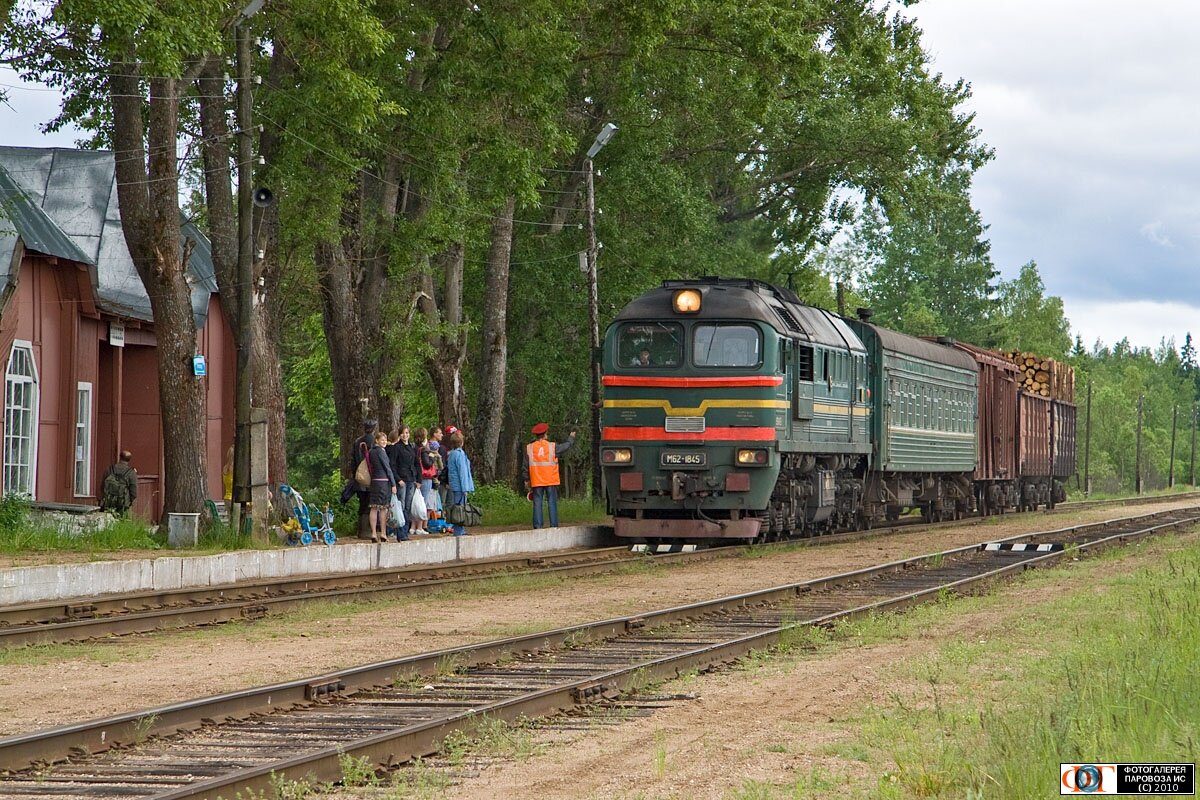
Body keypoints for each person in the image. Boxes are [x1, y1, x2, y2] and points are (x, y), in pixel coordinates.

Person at [524, 423, 576, 529]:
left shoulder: (529, 448)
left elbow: (525, 465)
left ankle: (538, 527)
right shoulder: (552, 447)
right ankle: (554, 526)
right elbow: (565, 447)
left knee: (537, 503)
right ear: (545, 434)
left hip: (536, 480)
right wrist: (571, 438)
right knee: (552, 502)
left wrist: (526, 479)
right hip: (550, 480)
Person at [387, 426, 419, 540]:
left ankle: (405, 531)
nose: (405, 435)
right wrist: (398, 479)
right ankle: (400, 533)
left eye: (407, 433)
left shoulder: (412, 447)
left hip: (411, 478)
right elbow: (392, 465)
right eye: (403, 433)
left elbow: (416, 463)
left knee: (408, 507)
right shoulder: (396, 448)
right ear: (400, 434)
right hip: (402, 479)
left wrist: (418, 479)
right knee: (401, 504)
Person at [366, 431, 397, 543]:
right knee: (383, 508)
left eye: (385, 440)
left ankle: (373, 532)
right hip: (383, 482)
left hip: (374, 481)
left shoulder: (371, 452)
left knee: (374, 507)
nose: (384, 442)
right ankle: (383, 533)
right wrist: (393, 483)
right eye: (382, 440)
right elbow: (388, 468)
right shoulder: (381, 452)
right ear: (377, 441)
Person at [351, 419, 379, 539]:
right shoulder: (373, 441)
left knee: (362, 504)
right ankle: (367, 530)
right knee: (369, 504)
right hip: (370, 478)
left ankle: (361, 530)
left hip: (359, 477)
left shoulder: (357, 441)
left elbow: (353, 461)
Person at [446, 430, 475, 536]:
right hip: (460, 486)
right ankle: (459, 530)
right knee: (460, 509)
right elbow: (462, 473)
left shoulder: (451, 454)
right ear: (461, 442)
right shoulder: (459, 455)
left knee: (457, 508)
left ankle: (459, 529)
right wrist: (465, 488)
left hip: (454, 485)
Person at [100, 450, 138, 515]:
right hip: (123, 504)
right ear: (129, 460)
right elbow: (134, 492)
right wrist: (128, 502)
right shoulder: (131, 473)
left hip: (108, 502)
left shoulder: (109, 469)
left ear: (119, 457)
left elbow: (102, 486)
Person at [411, 428, 433, 534]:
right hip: (424, 477)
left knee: (414, 501)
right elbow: (427, 464)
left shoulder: (413, 447)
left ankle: (412, 526)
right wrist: (432, 457)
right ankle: (420, 526)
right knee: (422, 502)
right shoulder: (423, 449)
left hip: (415, 476)